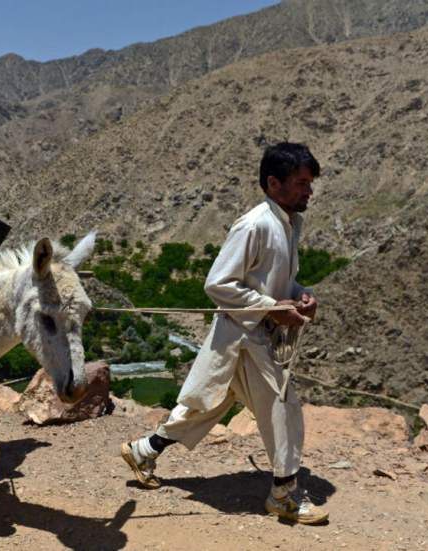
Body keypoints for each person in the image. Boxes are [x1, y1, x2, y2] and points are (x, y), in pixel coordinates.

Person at [120, 142, 328, 525]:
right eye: (301, 183)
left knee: (209, 403)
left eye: (309, 183)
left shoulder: (288, 223)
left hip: (251, 336)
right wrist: (271, 309)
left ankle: (143, 450)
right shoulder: (254, 225)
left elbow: (279, 279)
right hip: (246, 339)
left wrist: (299, 297)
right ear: (273, 182)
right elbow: (218, 284)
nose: (308, 191)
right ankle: (283, 494)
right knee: (284, 410)